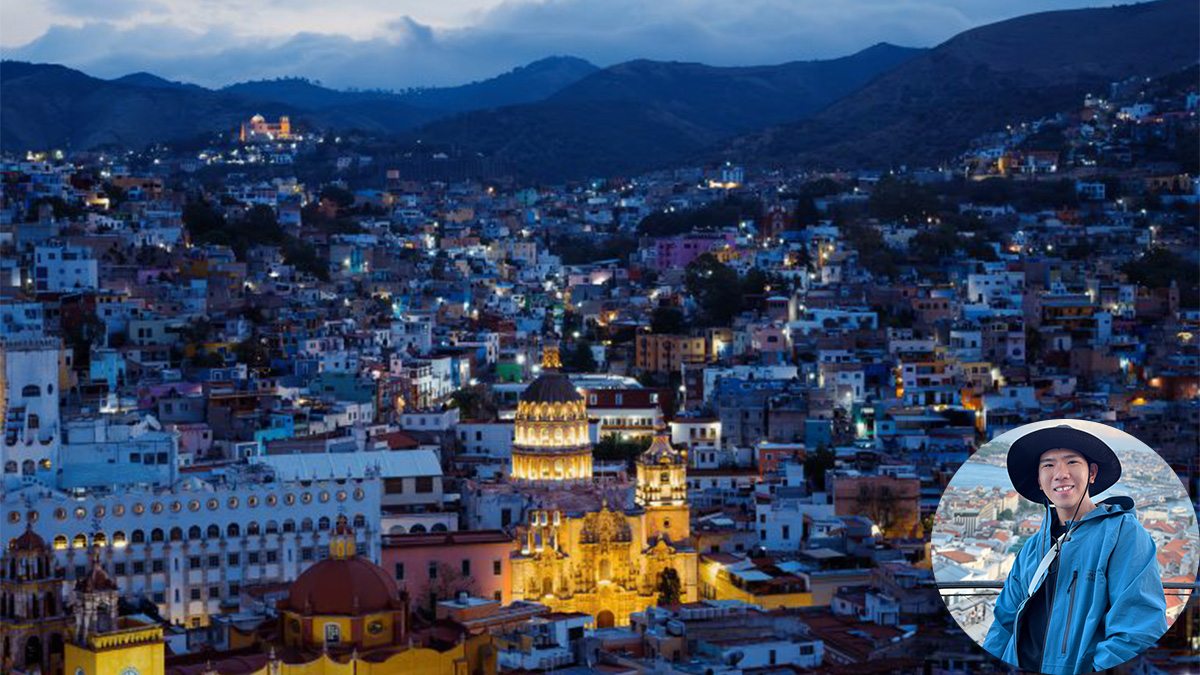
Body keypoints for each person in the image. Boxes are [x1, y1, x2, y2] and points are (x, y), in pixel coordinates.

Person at [982, 424, 1167, 675]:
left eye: (1071, 462)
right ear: (1039, 480)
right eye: (1048, 465)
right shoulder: (1031, 548)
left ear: (1091, 473)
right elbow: (1003, 623)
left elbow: (1138, 630)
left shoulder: (1123, 534)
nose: (1060, 474)